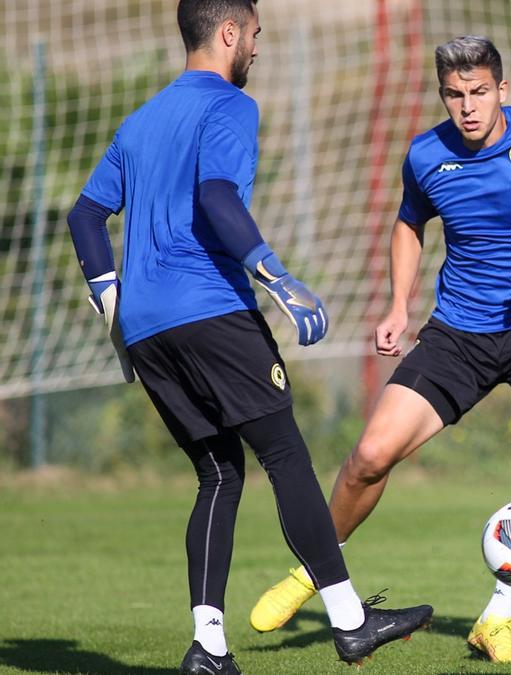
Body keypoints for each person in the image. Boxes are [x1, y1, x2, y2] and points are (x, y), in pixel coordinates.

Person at [247, 34, 511, 664]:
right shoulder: (426, 154)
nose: (468, 107)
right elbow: (411, 223)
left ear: (502, 90)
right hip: (458, 335)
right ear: (443, 96)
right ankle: (312, 576)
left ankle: (497, 618)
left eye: (480, 92)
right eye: (455, 95)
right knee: (370, 456)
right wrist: (400, 304)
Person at [66, 1, 433, 672]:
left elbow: (85, 216)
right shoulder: (230, 106)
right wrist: (278, 277)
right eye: (256, 35)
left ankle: (209, 645)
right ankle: (351, 622)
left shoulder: (140, 122)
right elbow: (216, 198)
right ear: (229, 32)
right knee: (286, 456)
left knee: (217, 473)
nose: (258, 50)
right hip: (210, 310)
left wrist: (113, 309)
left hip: (149, 328)